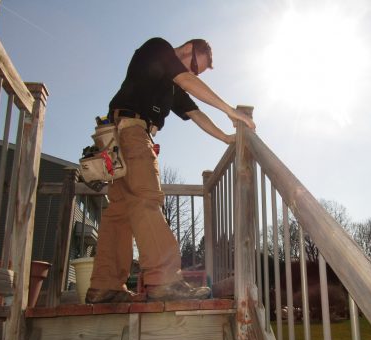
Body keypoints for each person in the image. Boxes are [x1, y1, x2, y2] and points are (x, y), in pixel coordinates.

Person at [85, 38, 255, 303]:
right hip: (131, 134)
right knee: (146, 200)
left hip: (119, 138)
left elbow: (195, 114)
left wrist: (225, 137)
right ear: (189, 50)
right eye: (196, 67)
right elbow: (187, 80)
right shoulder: (158, 48)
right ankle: (164, 281)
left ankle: (104, 286)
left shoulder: (169, 85)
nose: (194, 74)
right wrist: (229, 110)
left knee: (119, 212)